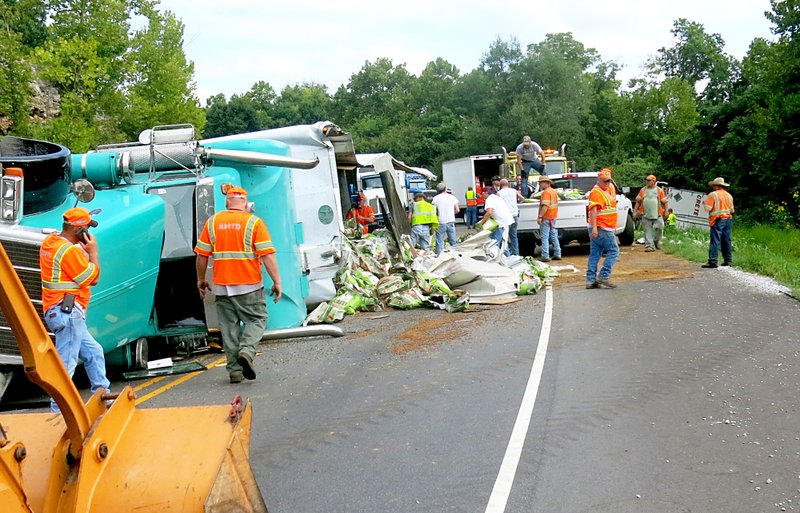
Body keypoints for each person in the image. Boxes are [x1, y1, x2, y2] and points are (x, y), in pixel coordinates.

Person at [195, 186, 282, 383]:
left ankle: (234, 372)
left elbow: (201, 256)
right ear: (245, 203)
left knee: (229, 328)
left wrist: (200, 279)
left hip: (222, 286)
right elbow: (267, 256)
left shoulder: (212, 223)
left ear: (227, 202)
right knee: (257, 319)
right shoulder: (254, 223)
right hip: (249, 285)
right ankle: (247, 351)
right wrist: (277, 281)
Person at [39, 207, 110, 413]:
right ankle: (58, 411)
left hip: (60, 311)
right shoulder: (69, 251)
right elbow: (92, 278)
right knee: (66, 365)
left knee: (94, 352)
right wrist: (93, 252)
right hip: (67, 313)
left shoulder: (51, 242)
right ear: (79, 230)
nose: (89, 232)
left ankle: (103, 394)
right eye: (87, 227)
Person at [586, 169, 620, 289]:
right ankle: (603, 276)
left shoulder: (605, 190)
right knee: (614, 251)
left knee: (595, 254)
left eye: (609, 181)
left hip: (602, 227)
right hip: (602, 228)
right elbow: (593, 210)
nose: (607, 183)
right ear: (599, 180)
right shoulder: (596, 192)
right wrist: (595, 227)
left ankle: (590, 281)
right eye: (605, 181)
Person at [701, 177, 735, 268]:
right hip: (728, 219)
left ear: (716, 186)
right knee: (726, 240)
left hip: (717, 220)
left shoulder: (712, 195)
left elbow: (707, 208)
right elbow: (732, 210)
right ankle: (728, 261)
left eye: (713, 185)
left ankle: (713, 261)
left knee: (715, 240)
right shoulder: (729, 196)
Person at [634, 174, 669, 252]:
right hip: (645, 214)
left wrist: (666, 211)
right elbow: (638, 201)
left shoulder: (659, 190)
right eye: (647, 180)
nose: (647, 182)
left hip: (658, 214)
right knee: (647, 230)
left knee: (660, 227)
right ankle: (649, 246)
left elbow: (665, 202)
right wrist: (635, 211)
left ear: (654, 181)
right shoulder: (643, 190)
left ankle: (656, 241)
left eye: (649, 180)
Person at [478, 187, 514, 253]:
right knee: (503, 244)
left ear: (486, 193)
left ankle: (494, 259)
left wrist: (482, 223)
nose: (482, 195)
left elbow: (489, 212)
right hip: (506, 221)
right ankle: (507, 258)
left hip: (500, 223)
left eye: (482, 193)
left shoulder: (489, 199)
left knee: (494, 244)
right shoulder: (496, 197)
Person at [537, 175, 562, 262]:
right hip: (553, 217)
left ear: (546, 183)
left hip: (547, 217)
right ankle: (558, 253)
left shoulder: (546, 193)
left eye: (541, 183)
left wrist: (540, 216)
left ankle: (545, 255)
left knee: (544, 237)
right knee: (553, 236)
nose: (540, 185)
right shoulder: (553, 191)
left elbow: (545, 206)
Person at [497, 178, 525, 256]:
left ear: (500, 185)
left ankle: (507, 254)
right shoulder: (514, 191)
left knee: (504, 236)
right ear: (508, 184)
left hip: (505, 217)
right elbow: (522, 198)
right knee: (514, 236)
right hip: (514, 215)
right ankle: (516, 254)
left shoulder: (499, 193)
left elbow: (497, 205)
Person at [431, 182, 460, 255]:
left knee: (439, 242)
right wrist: (451, 214)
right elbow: (457, 210)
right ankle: (456, 255)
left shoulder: (435, 198)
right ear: (445, 189)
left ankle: (438, 257)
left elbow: (434, 211)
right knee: (453, 241)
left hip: (441, 222)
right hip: (451, 222)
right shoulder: (452, 197)